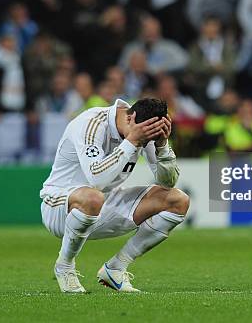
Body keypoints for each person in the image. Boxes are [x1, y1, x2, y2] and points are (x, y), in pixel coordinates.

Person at [40, 98, 188, 293]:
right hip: (60, 205)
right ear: (130, 119)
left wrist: (161, 146)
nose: (145, 144)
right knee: (93, 197)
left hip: (104, 204)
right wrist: (132, 141)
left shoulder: (143, 128)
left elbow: (167, 182)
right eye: (144, 139)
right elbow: (97, 180)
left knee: (178, 201)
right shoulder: (91, 123)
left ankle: (116, 268)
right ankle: (65, 266)